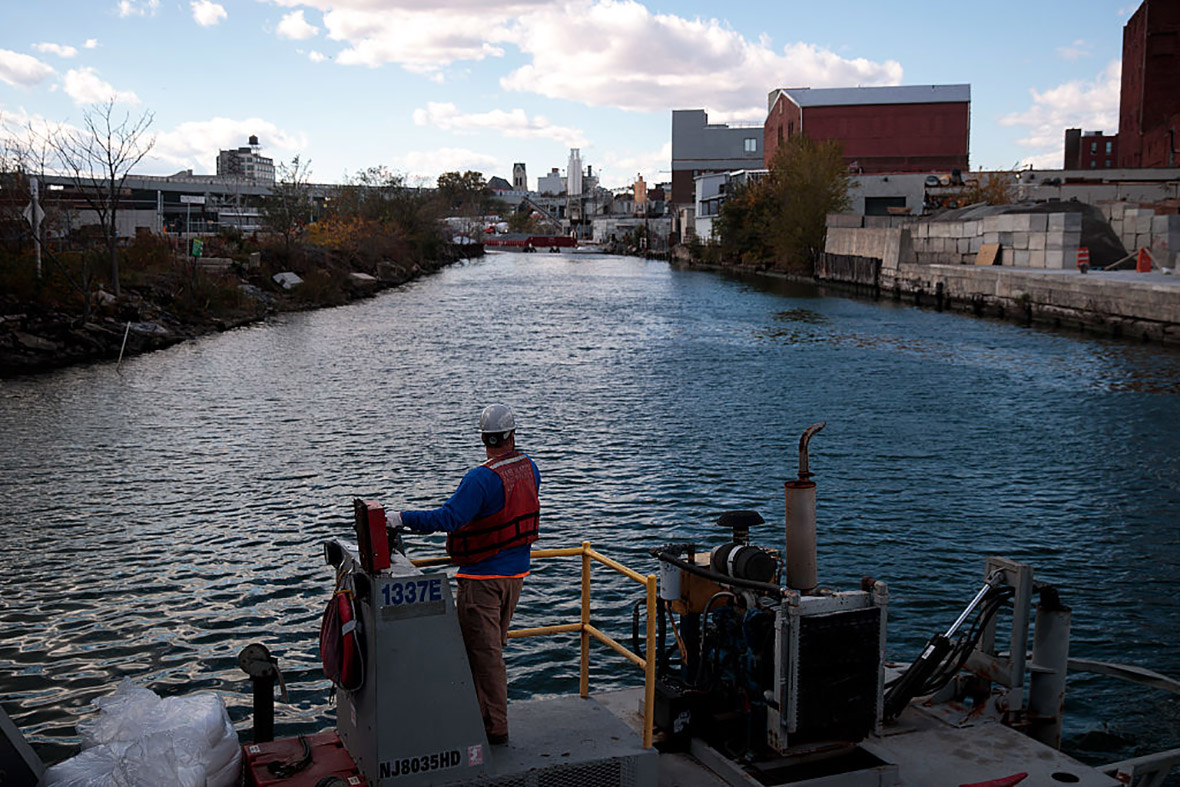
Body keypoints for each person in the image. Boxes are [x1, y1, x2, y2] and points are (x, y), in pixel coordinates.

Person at [389, 404, 540, 746]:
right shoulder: (529, 468)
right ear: (512, 436)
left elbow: (449, 518)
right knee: (487, 651)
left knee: (484, 657)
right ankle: (483, 717)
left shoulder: (480, 479)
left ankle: (494, 730)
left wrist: (401, 517)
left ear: (484, 439)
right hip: (516, 577)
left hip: (481, 583)